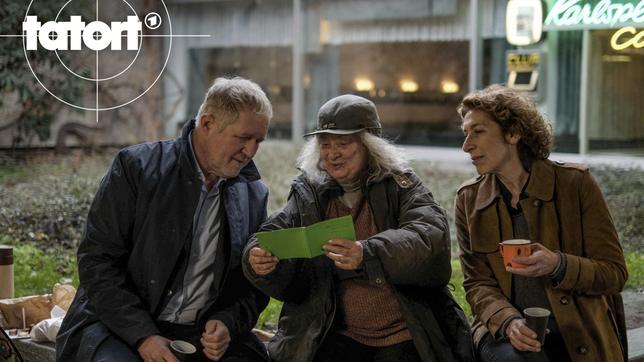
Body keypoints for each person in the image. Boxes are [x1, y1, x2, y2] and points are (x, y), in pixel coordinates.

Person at [56, 77, 273, 362]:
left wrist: (228, 323)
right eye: (243, 138)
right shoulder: (136, 167)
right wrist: (143, 335)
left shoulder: (253, 194)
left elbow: (251, 286)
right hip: (118, 326)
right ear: (207, 124)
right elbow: (98, 263)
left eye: (258, 140)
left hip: (200, 336)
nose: (251, 151)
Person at [243, 94, 474, 362]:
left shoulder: (401, 185)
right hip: (332, 330)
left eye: (343, 143)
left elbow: (430, 236)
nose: (332, 153)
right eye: (325, 144)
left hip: (403, 332)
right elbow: (273, 232)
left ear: (370, 146)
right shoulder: (310, 192)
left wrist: (367, 253)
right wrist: (257, 257)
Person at [454, 85, 628, 362]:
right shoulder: (469, 200)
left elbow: (615, 273)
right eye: (466, 134)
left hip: (578, 330)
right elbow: (477, 284)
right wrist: (508, 322)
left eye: (478, 131)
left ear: (513, 133)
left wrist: (558, 265)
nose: (466, 145)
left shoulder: (575, 184)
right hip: (506, 334)